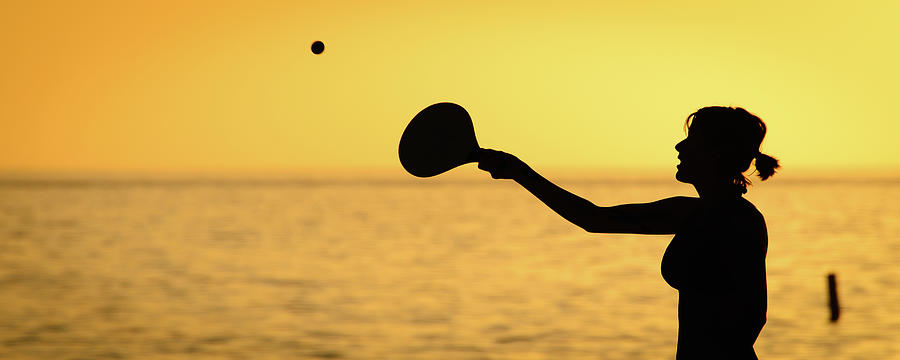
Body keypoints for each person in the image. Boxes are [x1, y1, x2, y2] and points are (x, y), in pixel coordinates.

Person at [476, 106, 779, 359]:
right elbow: (593, 218)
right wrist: (518, 171)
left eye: (692, 139)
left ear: (715, 153)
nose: (679, 146)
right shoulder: (690, 213)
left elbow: (752, 317)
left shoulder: (739, 221)